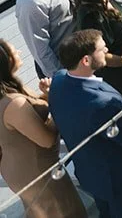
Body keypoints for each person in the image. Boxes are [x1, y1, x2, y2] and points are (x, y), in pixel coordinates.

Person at [49, 30, 122, 218]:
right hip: (121, 181)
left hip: (92, 174)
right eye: (101, 48)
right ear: (86, 61)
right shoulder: (102, 104)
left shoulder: (59, 80)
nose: (106, 49)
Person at [0, 38, 87, 218]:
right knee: (65, 211)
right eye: (15, 51)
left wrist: (46, 95)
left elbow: (32, 112)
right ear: (5, 61)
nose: (20, 52)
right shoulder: (13, 104)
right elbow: (46, 139)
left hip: (21, 165)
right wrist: (56, 102)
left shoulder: (9, 90)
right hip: (35, 169)